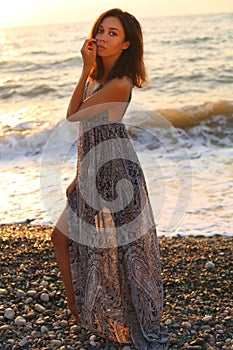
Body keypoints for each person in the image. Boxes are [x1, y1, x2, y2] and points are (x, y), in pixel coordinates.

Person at [51, 8, 169, 350]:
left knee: (126, 255)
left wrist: (83, 68)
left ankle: (130, 319)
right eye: (100, 30)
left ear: (127, 43)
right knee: (62, 238)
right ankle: (81, 312)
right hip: (92, 171)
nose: (102, 37)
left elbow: (74, 115)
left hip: (118, 174)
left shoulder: (119, 83)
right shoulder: (96, 79)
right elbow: (86, 132)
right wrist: (77, 175)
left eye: (112, 33)